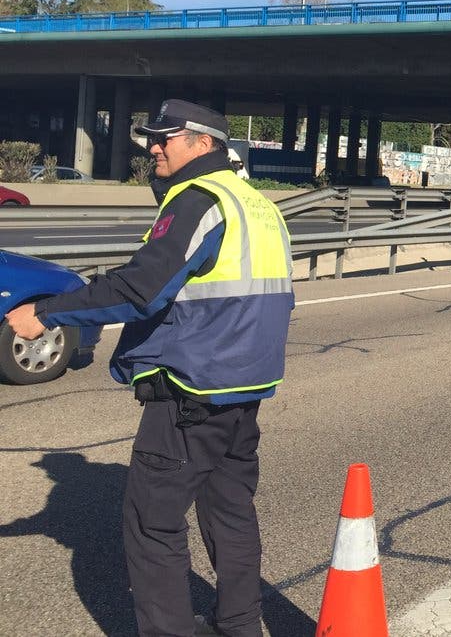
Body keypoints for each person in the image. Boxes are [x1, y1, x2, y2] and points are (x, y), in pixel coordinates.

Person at [4, 99, 294, 637]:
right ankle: (239, 627)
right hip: (245, 386)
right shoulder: (256, 203)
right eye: (152, 137)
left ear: (204, 144)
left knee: (152, 526)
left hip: (191, 386)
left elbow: (140, 290)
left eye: (167, 137)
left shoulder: (198, 199)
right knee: (231, 514)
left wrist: (45, 312)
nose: (154, 147)